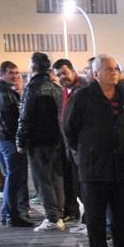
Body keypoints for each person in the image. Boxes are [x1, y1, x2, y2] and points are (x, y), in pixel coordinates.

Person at [63, 54, 124, 247]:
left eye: (115, 68)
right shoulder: (83, 96)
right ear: (96, 74)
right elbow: (69, 128)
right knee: (95, 215)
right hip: (93, 164)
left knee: (122, 212)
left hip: (122, 164)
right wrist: (84, 149)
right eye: (107, 69)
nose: (113, 72)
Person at [17, 52, 67, 232]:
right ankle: (59, 215)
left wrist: (20, 141)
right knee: (56, 177)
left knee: (43, 179)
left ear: (32, 67)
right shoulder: (56, 86)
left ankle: (52, 217)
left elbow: (25, 117)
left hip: (38, 140)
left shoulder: (32, 88)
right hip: (56, 139)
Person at [0, 61, 31, 227]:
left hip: (2, 139)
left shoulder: (1, 91)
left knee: (12, 178)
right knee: (14, 178)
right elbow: (11, 121)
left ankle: (7, 213)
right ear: (2, 75)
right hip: (9, 140)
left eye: (16, 72)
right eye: (11, 73)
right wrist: (19, 140)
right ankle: (11, 215)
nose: (15, 76)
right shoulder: (4, 93)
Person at [54, 58, 85, 231]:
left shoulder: (83, 89)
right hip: (70, 147)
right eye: (58, 75)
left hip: (81, 147)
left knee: (85, 186)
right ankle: (87, 220)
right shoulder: (66, 90)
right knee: (78, 185)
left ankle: (91, 221)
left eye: (64, 73)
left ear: (73, 70)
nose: (62, 77)